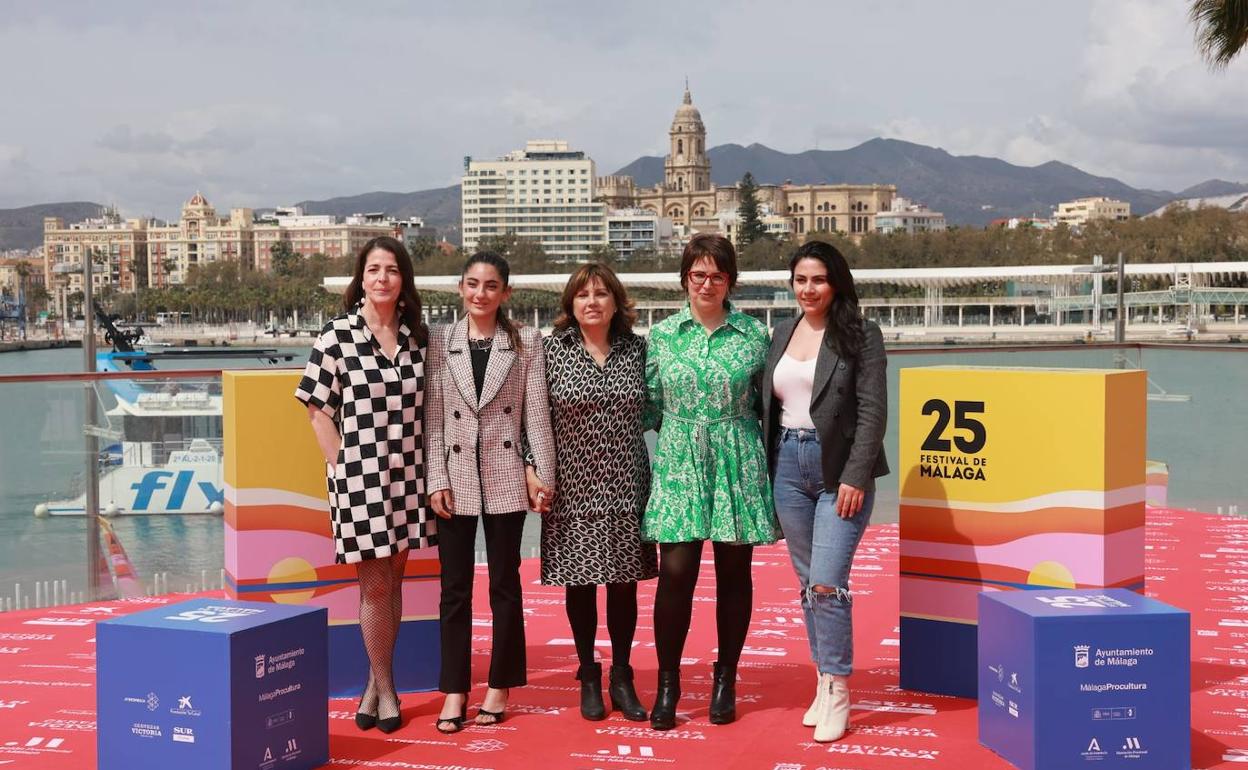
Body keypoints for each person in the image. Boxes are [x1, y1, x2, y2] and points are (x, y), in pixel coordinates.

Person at [295, 235, 432, 734]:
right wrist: (342, 468)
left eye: (391, 270)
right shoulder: (337, 336)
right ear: (361, 277)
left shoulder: (420, 337)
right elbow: (316, 409)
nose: (382, 278)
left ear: (403, 280)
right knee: (374, 585)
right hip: (360, 479)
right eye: (373, 269)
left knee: (394, 578)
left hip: (409, 475)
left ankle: (374, 686)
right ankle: (388, 686)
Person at [643, 233, 778, 730]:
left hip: (736, 460)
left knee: (733, 574)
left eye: (716, 276)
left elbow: (772, 406)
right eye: (697, 275)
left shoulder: (754, 336)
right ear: (684, 279)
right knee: (675, 573)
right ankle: (668, 683)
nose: (706, 283)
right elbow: (647, 406)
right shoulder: (661, 336)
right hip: (679, 460)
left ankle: (726, 678)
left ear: (730, 281)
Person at [761, 240, 889, 742]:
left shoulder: (861, 334)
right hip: (787, 466)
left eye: (817, 279)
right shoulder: (782, 332)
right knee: (806, 583)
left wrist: (856, 475)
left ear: (835, 281)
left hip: (839, 469)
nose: (808, 289)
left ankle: (838, 687)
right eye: (800, 280)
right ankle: (821, 679)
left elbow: (873, 411)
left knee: (827, 584)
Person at [424, 251, 557, 732]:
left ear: (506, 293)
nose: (481, 293)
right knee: (453, 590)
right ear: (461, 288)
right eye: (473, 284)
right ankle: (455, 690)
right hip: (455, 480)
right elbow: (433, 420)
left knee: (505, 584)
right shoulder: (440, 342)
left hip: (505, 475)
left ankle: (500, 686)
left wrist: (543, 472)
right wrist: (434, 478)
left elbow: (536, 415)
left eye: (491, 285)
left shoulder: (525, 342)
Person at [526, 263, 657, 722]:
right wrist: (530, 468)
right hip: (570, 485)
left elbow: (660, 409)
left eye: (602, 294)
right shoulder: (550, 352)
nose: (593, 302)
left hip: (627, 481)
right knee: (579, 583)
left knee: (624, 586)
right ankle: (587, 673)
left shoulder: (639, 351)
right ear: (570, 305)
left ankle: (622, 675)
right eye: (583, 295)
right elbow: (531, 415)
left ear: (617, 302)